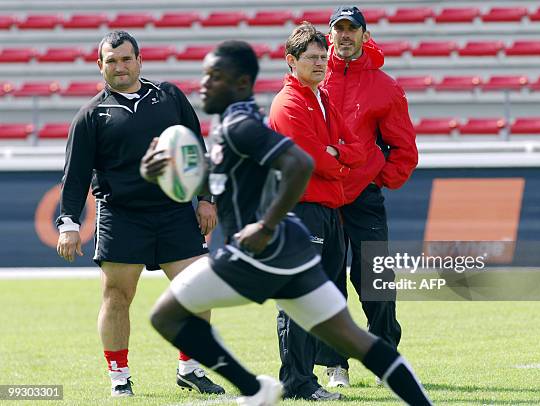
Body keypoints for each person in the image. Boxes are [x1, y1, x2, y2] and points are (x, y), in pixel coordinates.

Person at [141, 40, 432, 406]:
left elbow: (300, 164)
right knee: (358, 341)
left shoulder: (241, 124)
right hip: (293, 251)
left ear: (242, 82)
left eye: (215, 77)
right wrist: (162, 173)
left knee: (166, 316)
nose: (204, 84)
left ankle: (254, 388)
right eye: (204, 75)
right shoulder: (234, 123)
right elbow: (217, 181)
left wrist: (264, 226)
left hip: (259, 253)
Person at [55, 30, 224, 397]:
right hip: (121, 215)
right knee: (117, 296)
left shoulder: (169, 96)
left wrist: (207, 199)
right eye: (111, 60)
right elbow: (76, 175)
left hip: (174, 210)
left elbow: (196, 149)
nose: (120, 66)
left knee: (200, 288)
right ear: (100, 66)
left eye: (126, 59)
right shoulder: (91, 115)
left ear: (139, 60)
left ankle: (190, 369)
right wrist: (68, 223)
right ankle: (119, 377)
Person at [318, 6, 419, 387]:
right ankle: (335, 364)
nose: (344, 35)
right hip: (323, 194)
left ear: (364, 34)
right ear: (330, 34)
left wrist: (376, 180)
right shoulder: (314, 74)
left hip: (363, 196)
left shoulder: (385, 86)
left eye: (351, 29)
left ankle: (386, 357)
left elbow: (404, 149)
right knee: (328, 281)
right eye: (338, 29)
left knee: (375, 280)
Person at [268, 22, 365, 400]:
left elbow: (354, 146)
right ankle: (297, 382)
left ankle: (304, 381)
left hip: (326, 209)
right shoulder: (288, 103)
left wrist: (336, 152)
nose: (321, 63)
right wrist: (338, 156)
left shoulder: (321, 97)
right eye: (311, 57)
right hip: (300, 211)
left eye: (323, 56)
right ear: (291, 61)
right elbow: (309, 158)